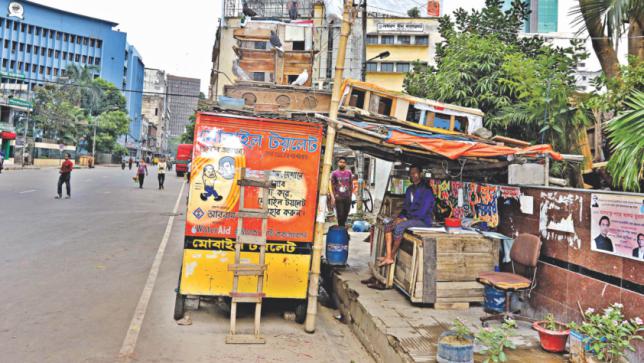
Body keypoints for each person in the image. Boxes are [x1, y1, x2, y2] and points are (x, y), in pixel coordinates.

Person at [378, 165, 434, 266]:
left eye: (415, 172)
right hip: (410, 219)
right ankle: (388, 256)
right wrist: (400, 217)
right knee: (389, 224)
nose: (413, 175)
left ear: (420, 174)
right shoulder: (410, 189)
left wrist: (405, 219)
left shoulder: (427, 190)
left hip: (423, 220)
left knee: (399, 227)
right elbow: (405, 208)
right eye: (411, 173)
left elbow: (423, 211)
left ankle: (391, 256)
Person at [330, 157, 353, 227]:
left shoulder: (349, 173)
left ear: (345, 164)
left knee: (346, 214)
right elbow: (331, 185)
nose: (342, 163)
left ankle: (342, 228)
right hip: (338, 197)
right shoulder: (334, 173)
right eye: (340, 162)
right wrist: (333, 197)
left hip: (347, 197)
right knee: (340, 215)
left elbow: (350, 184)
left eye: (343, 162)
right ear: (338, 163)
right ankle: (341, 229)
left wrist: (351, 196)